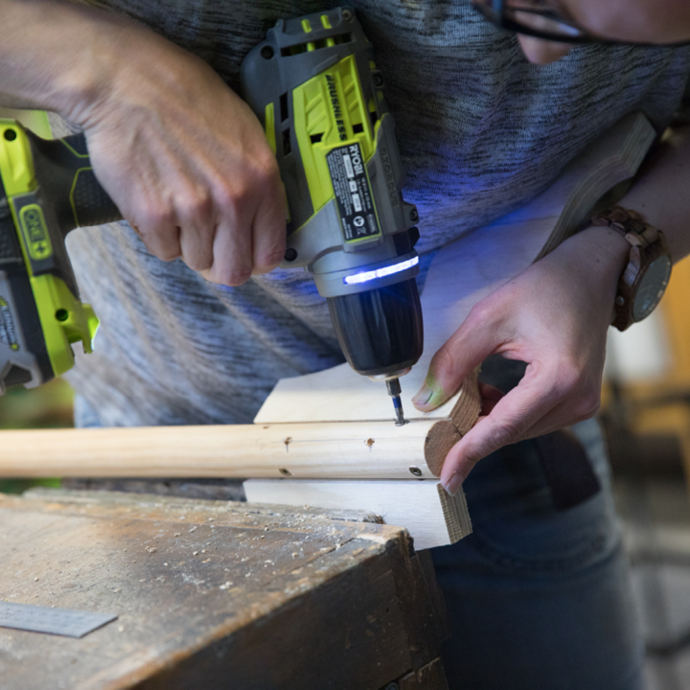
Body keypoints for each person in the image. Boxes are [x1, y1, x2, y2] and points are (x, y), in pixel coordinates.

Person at [2, 1, 690, 687]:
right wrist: (108, 75)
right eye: (541, 10)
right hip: (172, 458)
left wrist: (615, 248)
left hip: (487, 442)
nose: (543, 60)